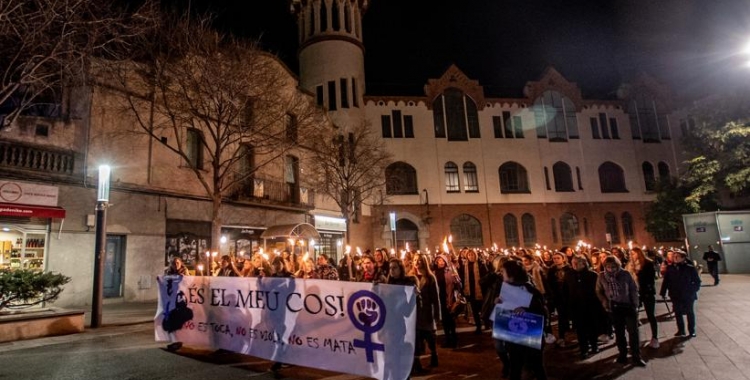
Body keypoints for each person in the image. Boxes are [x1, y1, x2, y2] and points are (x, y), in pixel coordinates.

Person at [497, 259, 548, 380]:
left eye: (503, 271)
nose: (501, 274)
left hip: (530, 334)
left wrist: (526, 310)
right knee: (515, 366)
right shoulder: (506, 289)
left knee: (536, 366)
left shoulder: (529, 289)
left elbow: (542, 311)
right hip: (514, 335)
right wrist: (499, 303)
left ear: (511, 274)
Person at [596, 256, 645, 367]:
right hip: (614, 307)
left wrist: (635, 304)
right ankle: (622, 354)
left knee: (633, 332)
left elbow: (633, 289)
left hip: (627, 305)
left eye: (613, 267)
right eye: (608, 267)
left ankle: (636, 356)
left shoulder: (625, 274)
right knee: (619, 332)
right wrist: (604, 301)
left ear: (617, 266)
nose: (611, 269)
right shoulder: (602, 276)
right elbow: (599, 290)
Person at [564, 254, 602, 359]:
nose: (574, 265)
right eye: (573, 263)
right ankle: (584, 349)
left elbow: (598, 291)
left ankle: (594, 345)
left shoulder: (592, 275)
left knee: (592, 327)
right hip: (576, 306)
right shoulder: (568, 275)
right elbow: (566, 291)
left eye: (577, 263)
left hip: (590, 305)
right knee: (580, 329)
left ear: (584, 263)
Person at [660, 250, 701, 338]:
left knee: (689, 312)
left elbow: (697, 281)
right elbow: (666, 281)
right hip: (675, 294)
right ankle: (681, 330)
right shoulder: (670, 268)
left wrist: (692, 290)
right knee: (678, 312)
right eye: (674, 256)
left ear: (683, 258)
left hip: (688, 294)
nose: (675, 258)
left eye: (677, 256)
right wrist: (663, 292)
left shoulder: (689, 268)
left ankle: (691, 330)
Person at [412, 254, 441, 373]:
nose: (417, 263)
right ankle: (417, 363)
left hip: (427, 312)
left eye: (419, 261)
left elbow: (435, 298)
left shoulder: (430, 277)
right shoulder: (411, 277)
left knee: (430, 338)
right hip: (415, 313)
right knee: (417, 339)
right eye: (415, 260)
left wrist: (437, 315)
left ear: (424, 262)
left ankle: (434, 354)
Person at [627, 247, 659, 348]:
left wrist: (638, 273)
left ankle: (654, 337)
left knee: (650, 315)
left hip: (646, 293)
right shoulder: (629, 265)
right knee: (633, 317)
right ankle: (635, 339)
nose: (632, 255)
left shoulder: (647, 263)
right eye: (631, 253)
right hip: (634, 293)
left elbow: (650, 278)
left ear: (639, 254)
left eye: (634, 253)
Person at [546, 252, 573, 347]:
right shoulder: (552, 270)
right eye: (554, 258)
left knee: (570, 315)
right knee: (561, 316)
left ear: (563, 259)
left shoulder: (569, 269)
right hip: (558, 296)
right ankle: (562, 336)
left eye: (558, 258)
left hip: (568, 296)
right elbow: (549, 283)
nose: (556, 260)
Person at [433, 254, 461, 348]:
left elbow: (458, 284)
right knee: (444, 320)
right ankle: (447, 338)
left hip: (449, 298)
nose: (440, 262)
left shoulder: (450, 271)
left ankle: (454, 339)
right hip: (439, 298)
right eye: (438, 260)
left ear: (445, 262)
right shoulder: (434, 273)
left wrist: (456, 278)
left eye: (442, 260)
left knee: (451, 320)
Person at [459, 249, 488, 334]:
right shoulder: (465, 265)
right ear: (467, 256)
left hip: (480, 291)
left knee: (483, 309)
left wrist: (481, 282)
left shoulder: (481, 264)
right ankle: (478, 326)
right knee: (474, 310)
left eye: (472, 255)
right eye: (469, 255)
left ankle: (486, 323)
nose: (471, 257)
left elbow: (486, 276)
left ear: (475, 255)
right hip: (470, 291)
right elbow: (462, 277)